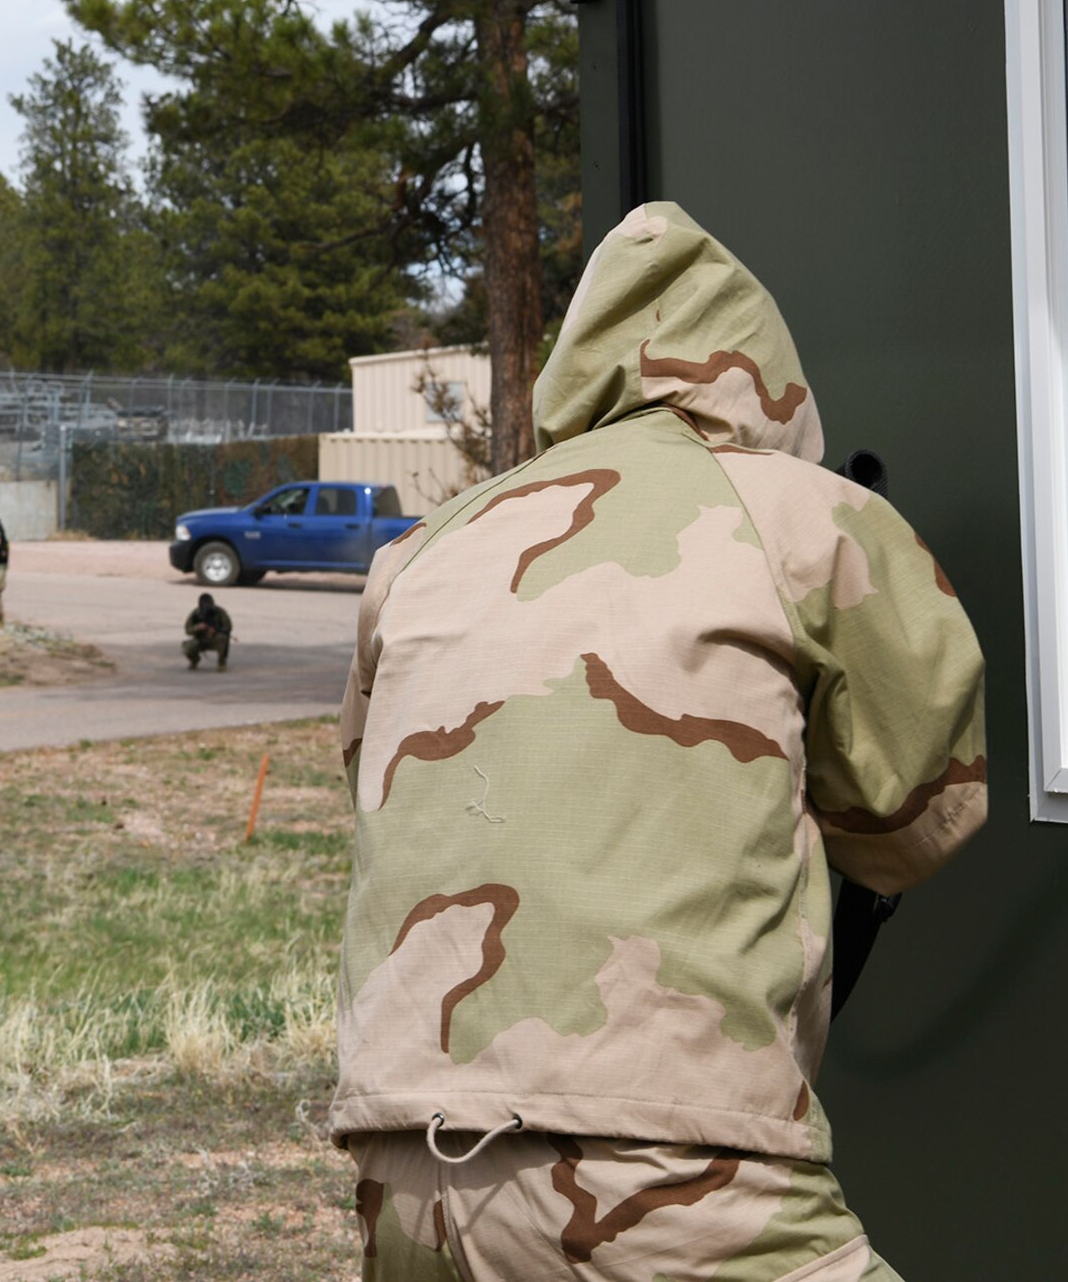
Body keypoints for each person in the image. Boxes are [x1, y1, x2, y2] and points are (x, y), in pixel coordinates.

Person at [333, 203, 986, 1281]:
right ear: (763, 381)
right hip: (669, 1164)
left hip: (404, 1164)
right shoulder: (804, 516)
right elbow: (918, 822)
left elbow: (386, 785)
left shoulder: (424, 549)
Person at [183, 592, 232, 671]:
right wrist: (197, 628)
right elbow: (187, 630)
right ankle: (194, 660)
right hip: (200, 639)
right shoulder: (195, 613)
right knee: (187, 648)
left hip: (215, 638)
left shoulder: (219, 612)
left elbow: (228, 627)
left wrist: (216, 630)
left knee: (222, 638)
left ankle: (221, 662)